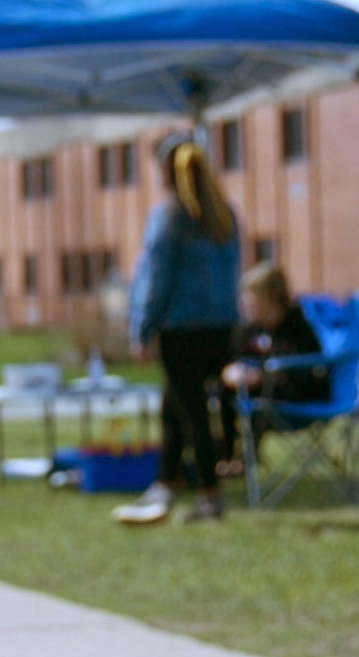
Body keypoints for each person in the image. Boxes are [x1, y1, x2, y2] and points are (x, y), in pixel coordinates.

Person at [113, 132, 241, 525]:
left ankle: (208, 495)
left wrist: (142, 328)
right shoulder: (225, 213)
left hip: (181, 332)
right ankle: (164, 486)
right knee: (174, 408)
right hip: (222, 329)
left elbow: (155, 279)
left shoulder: (169, 216)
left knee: (192, 415)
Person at [215, 263, 331, 474]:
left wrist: (262, 377)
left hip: (299, 399)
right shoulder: (253, 328)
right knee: (226, 388)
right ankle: (226, 457)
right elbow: (232, 356)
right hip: (264, 396)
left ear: (268, 298)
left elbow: (304, 370)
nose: (246, 303)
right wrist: (232, 371)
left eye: (251, 297)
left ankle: (245, 462)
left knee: (258, 396)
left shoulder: (297, 326)